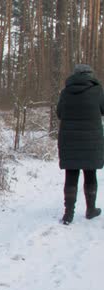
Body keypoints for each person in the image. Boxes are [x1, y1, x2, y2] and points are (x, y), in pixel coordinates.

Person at [57, 64, 104, 225]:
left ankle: (68, 214)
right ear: (91, 75)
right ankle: (91, 210)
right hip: (91, 140)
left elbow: (59, 113)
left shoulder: (65, 92)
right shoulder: (98, 91)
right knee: (90, 174)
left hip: (69, 140)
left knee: (71, 175)